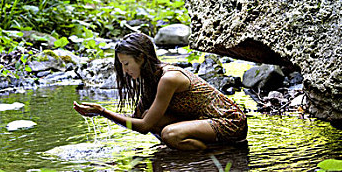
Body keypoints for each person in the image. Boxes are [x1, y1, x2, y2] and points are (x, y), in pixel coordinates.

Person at [73, 32, 247, 151]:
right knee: (150, 116)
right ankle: (188, 148)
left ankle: (215, 154)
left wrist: (102, 112)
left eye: (126, 64)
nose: (125, 71)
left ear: (141, 58)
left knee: (170, 134)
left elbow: (144, 127)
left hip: (229, 121)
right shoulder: (150, 79)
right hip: (204, 120)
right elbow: (139, 120)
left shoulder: (168, 78)